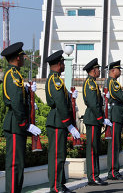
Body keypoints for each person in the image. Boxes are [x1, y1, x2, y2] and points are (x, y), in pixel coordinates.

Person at [1, 42, 41, 193]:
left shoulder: (16, 74)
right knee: (14, 165)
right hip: (16, 124)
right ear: (18, 58)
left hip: (17, 124)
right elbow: (16, 103)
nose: (24, 58)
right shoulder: (12, 75)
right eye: (23, 56)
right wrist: (25, 124)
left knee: (19, 164)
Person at [45, 50, 80, 192]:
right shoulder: (55, 80)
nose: (64, 65)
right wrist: (69, 124)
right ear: (59, 64)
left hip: (59, 121)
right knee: (56, 156)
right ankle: (55, 186)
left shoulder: (56, 79)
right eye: (63, 63)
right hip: (57, 120)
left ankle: (59, 183)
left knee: (61, 155)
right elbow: (60, 103)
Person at [82, 58, 109, 186]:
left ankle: (95, 175)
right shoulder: (90, 83)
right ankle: (92, 177)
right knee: (92, 149)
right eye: (98, 69)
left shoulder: (93, 83)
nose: (99, 71)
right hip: (93, 119)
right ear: (93, 70)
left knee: (96, 148)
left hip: (95, 118)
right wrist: (100, 118)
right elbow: (93, 103)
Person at [106, 60, 123, 180]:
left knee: (116, 144)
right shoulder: (113, 83)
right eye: (118, 69)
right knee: (114, 145)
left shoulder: (113, 82)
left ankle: (114, 171)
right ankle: (112, 172)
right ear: (113, 70)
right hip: (115, 114)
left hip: (117, 114)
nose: (120, 71)